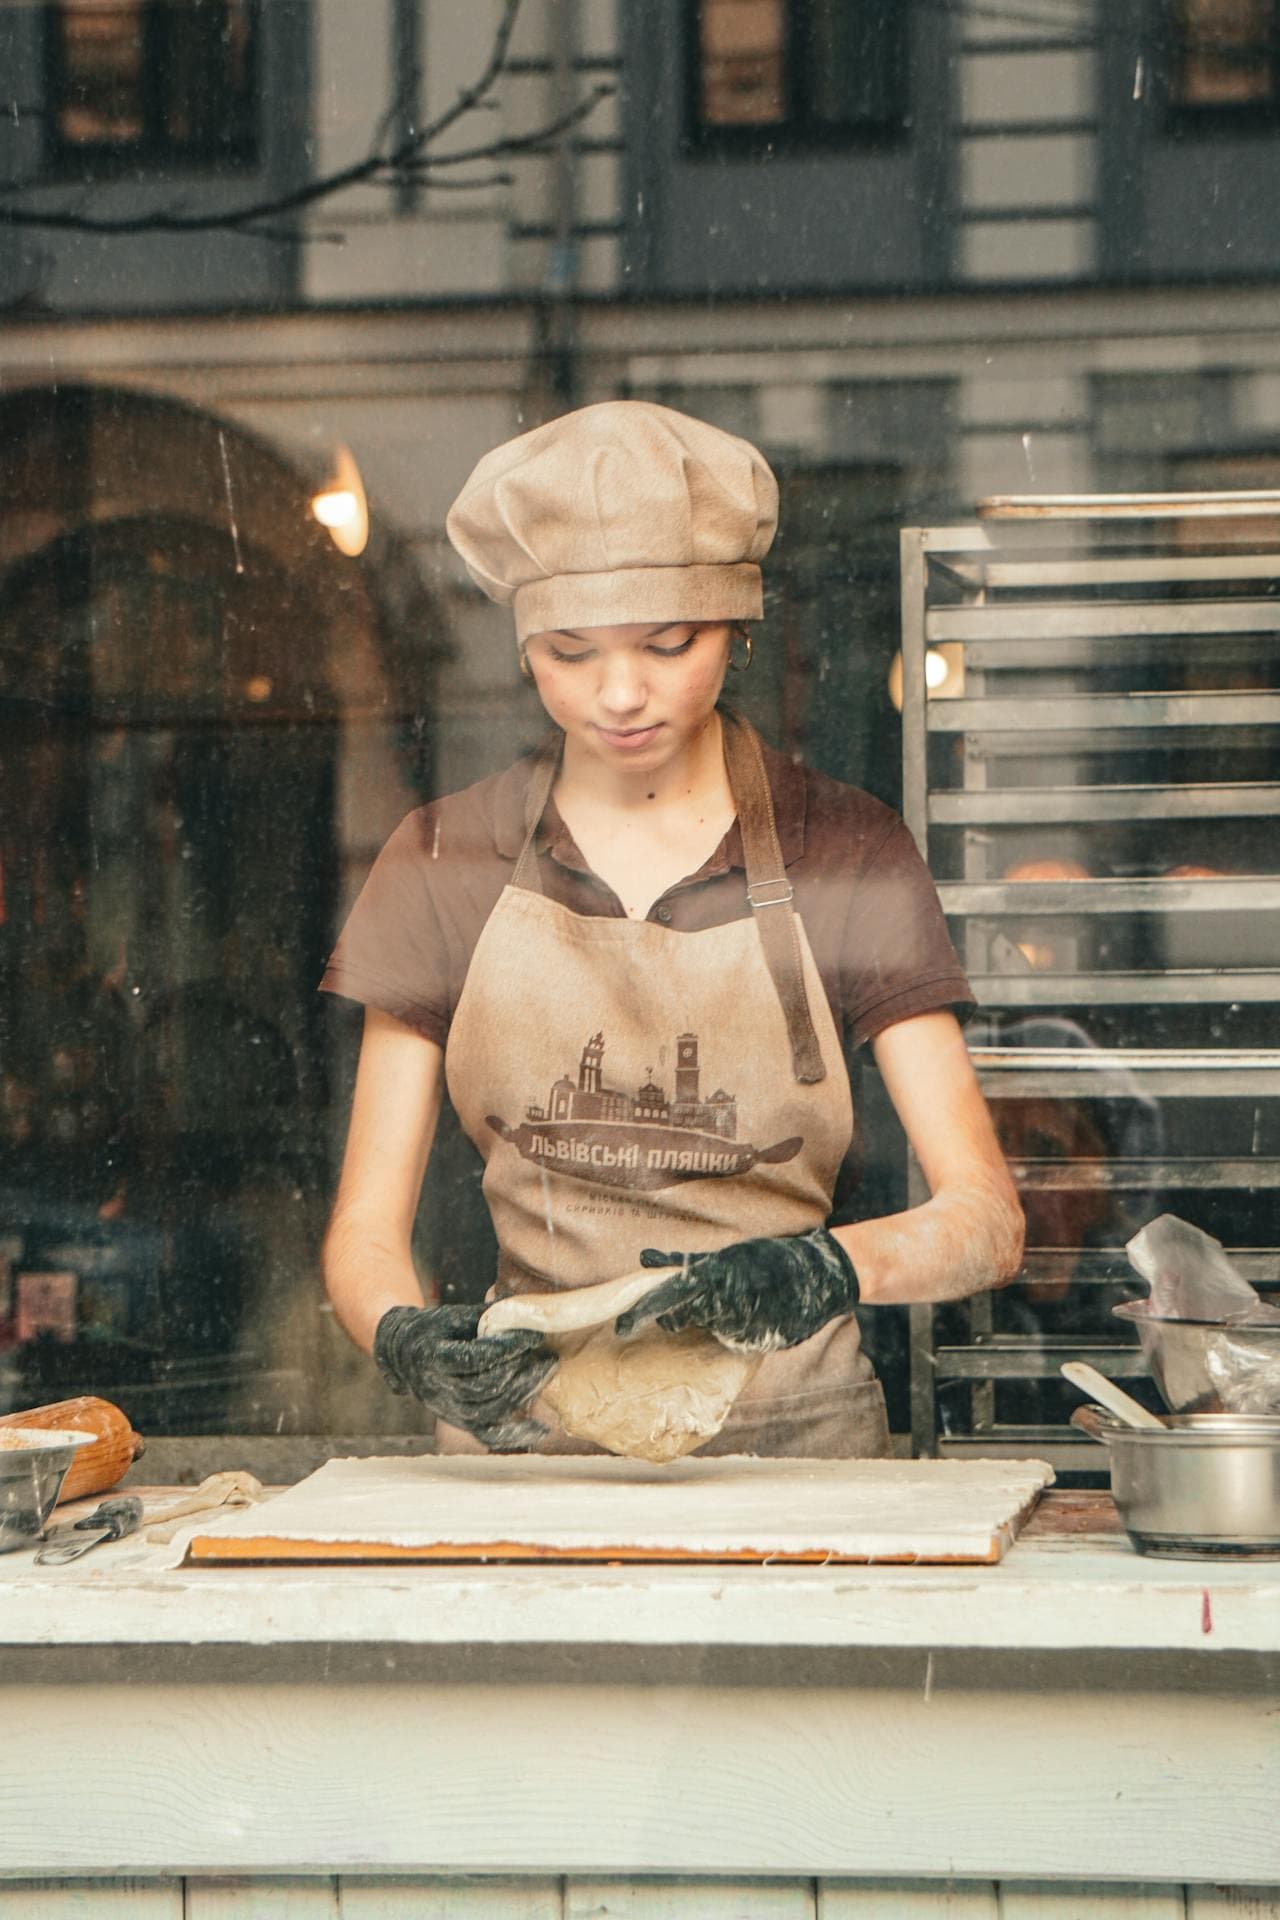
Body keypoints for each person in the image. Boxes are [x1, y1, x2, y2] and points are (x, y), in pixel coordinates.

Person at [320, 401, 1023, 1457]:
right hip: (528, 1461)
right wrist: (406, 1335)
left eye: (667, 643)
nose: (618, 694)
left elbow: (986, 1221)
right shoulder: (442, 861)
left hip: (797, 1455)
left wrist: (826, 1269)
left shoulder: (841, 848)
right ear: (521, 651)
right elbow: (366, 1230)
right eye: (568, 652)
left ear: (739, 627)